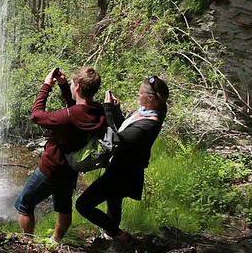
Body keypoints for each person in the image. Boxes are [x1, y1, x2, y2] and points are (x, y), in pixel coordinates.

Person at [14, 66, 106, 242]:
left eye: (72, 83)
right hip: (70, 170)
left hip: (51, 168)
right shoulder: (97, 110)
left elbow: (36, 116)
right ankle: (55, 242)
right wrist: (64, 86)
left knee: (24, 203)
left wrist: (46, 86)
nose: (71, 86)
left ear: (78, 86)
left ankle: (27, 243)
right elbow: (77, 108)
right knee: (63, 208)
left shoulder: (71, 115)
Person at [76, 75, 170, 241]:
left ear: (150, 97)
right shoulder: (145, 112)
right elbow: (123, 128)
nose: (137, 95)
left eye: (140, 93)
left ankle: (118, 234)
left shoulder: (149, 124)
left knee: (83, 205)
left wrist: (108, 110)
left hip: (122, 174)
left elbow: (118, 139)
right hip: (122, 168)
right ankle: (112, 240)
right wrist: (115, 109)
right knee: (114, 202)